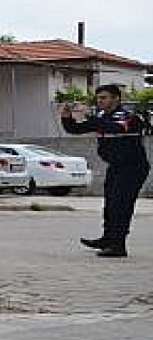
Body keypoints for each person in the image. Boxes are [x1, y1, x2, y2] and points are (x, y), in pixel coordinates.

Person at [62, 84, 149, 258]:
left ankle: (118, 246)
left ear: (116, 98)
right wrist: (67, 117)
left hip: (133, 167)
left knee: (121, 206)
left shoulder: (129, 117)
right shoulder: (101, 116)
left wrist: (89, 117)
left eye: (104, 98)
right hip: (116, 166)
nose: (100, 101)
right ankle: (107, 239)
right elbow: (76, 129)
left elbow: (116, 128)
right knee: (110, 205)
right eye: (98, 98)